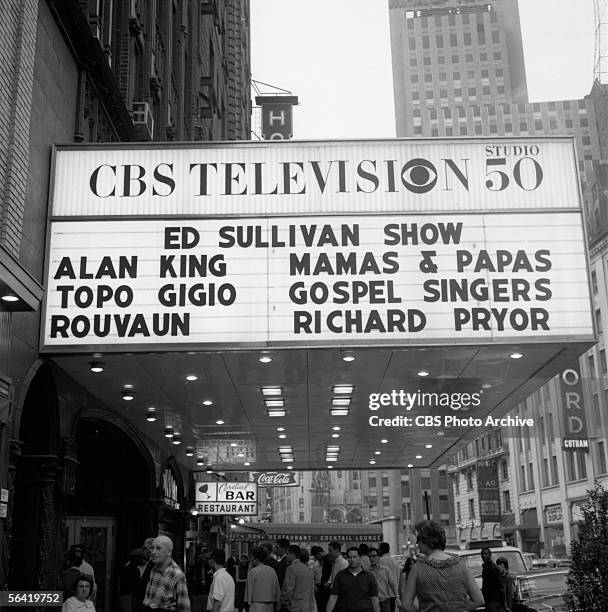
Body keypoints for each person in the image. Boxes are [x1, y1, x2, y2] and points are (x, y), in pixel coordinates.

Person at [402, 520, 483, 612]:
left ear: (426, 539)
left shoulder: (418, 568)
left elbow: (406, 605)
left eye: (418, 539)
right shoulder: (461, 565)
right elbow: (479, 600)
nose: (417, 542)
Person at [142, 535, 191, 612]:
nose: (153, 552)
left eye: (158, 548)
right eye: (152, 548)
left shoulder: (177, 575)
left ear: (169, 551)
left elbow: (184, 608)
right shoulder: (154, 569)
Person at [327, 546, 380, 612]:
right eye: (350, 557)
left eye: (355, 557)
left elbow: (374, 599)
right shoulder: (340, 576)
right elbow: (333, 597)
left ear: (360, 558)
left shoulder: (369, 576)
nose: (352, 560)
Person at [280, 545, 316, 612]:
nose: (286, 556)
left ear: (292, 554)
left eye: (287, 554)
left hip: (294, 607)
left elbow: (288, 590)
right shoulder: (309, 570)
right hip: (307, 607)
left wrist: (283, 602)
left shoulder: (291, 568)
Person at [245, 546, 281, 612]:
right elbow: (277, 589)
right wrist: (278, 603)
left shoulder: (252, 572)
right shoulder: (272, 571)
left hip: (256, 604)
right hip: (270, 605)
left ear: (256, 559)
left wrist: (248, 603)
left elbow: (249, 590)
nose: (251, 559)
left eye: (252, 557)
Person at [118, 547, 151, 612]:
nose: (145, 561)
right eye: (144, 559)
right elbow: (137, 586)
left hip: (125, 597)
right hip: (129, 598)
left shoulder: (126, 567)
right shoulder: (134, 570)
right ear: (139, 559)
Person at [369, 547, 397, 612]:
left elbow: (392, 583)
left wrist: (397, 596)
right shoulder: (367, 571)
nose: (371, 558)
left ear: (379, 557)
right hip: (372, 601)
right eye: (369, 556)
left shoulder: (385, 570)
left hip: (385, 600)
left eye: (373, 556)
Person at [481, 548, 507, 612]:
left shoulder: (493, 568)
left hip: (494, 601)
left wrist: (503, 602)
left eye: (486, 554)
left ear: (490, 555)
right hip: (488, 600)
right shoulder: (485, 567)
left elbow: (500, 585)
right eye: (482, 554)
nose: (483, 556)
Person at [378, 543, 400, 612]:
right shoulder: (395, 561)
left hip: (383, 595)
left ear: (381, 550)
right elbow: (397, 577)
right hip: (393, 594)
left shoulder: (380, 561)